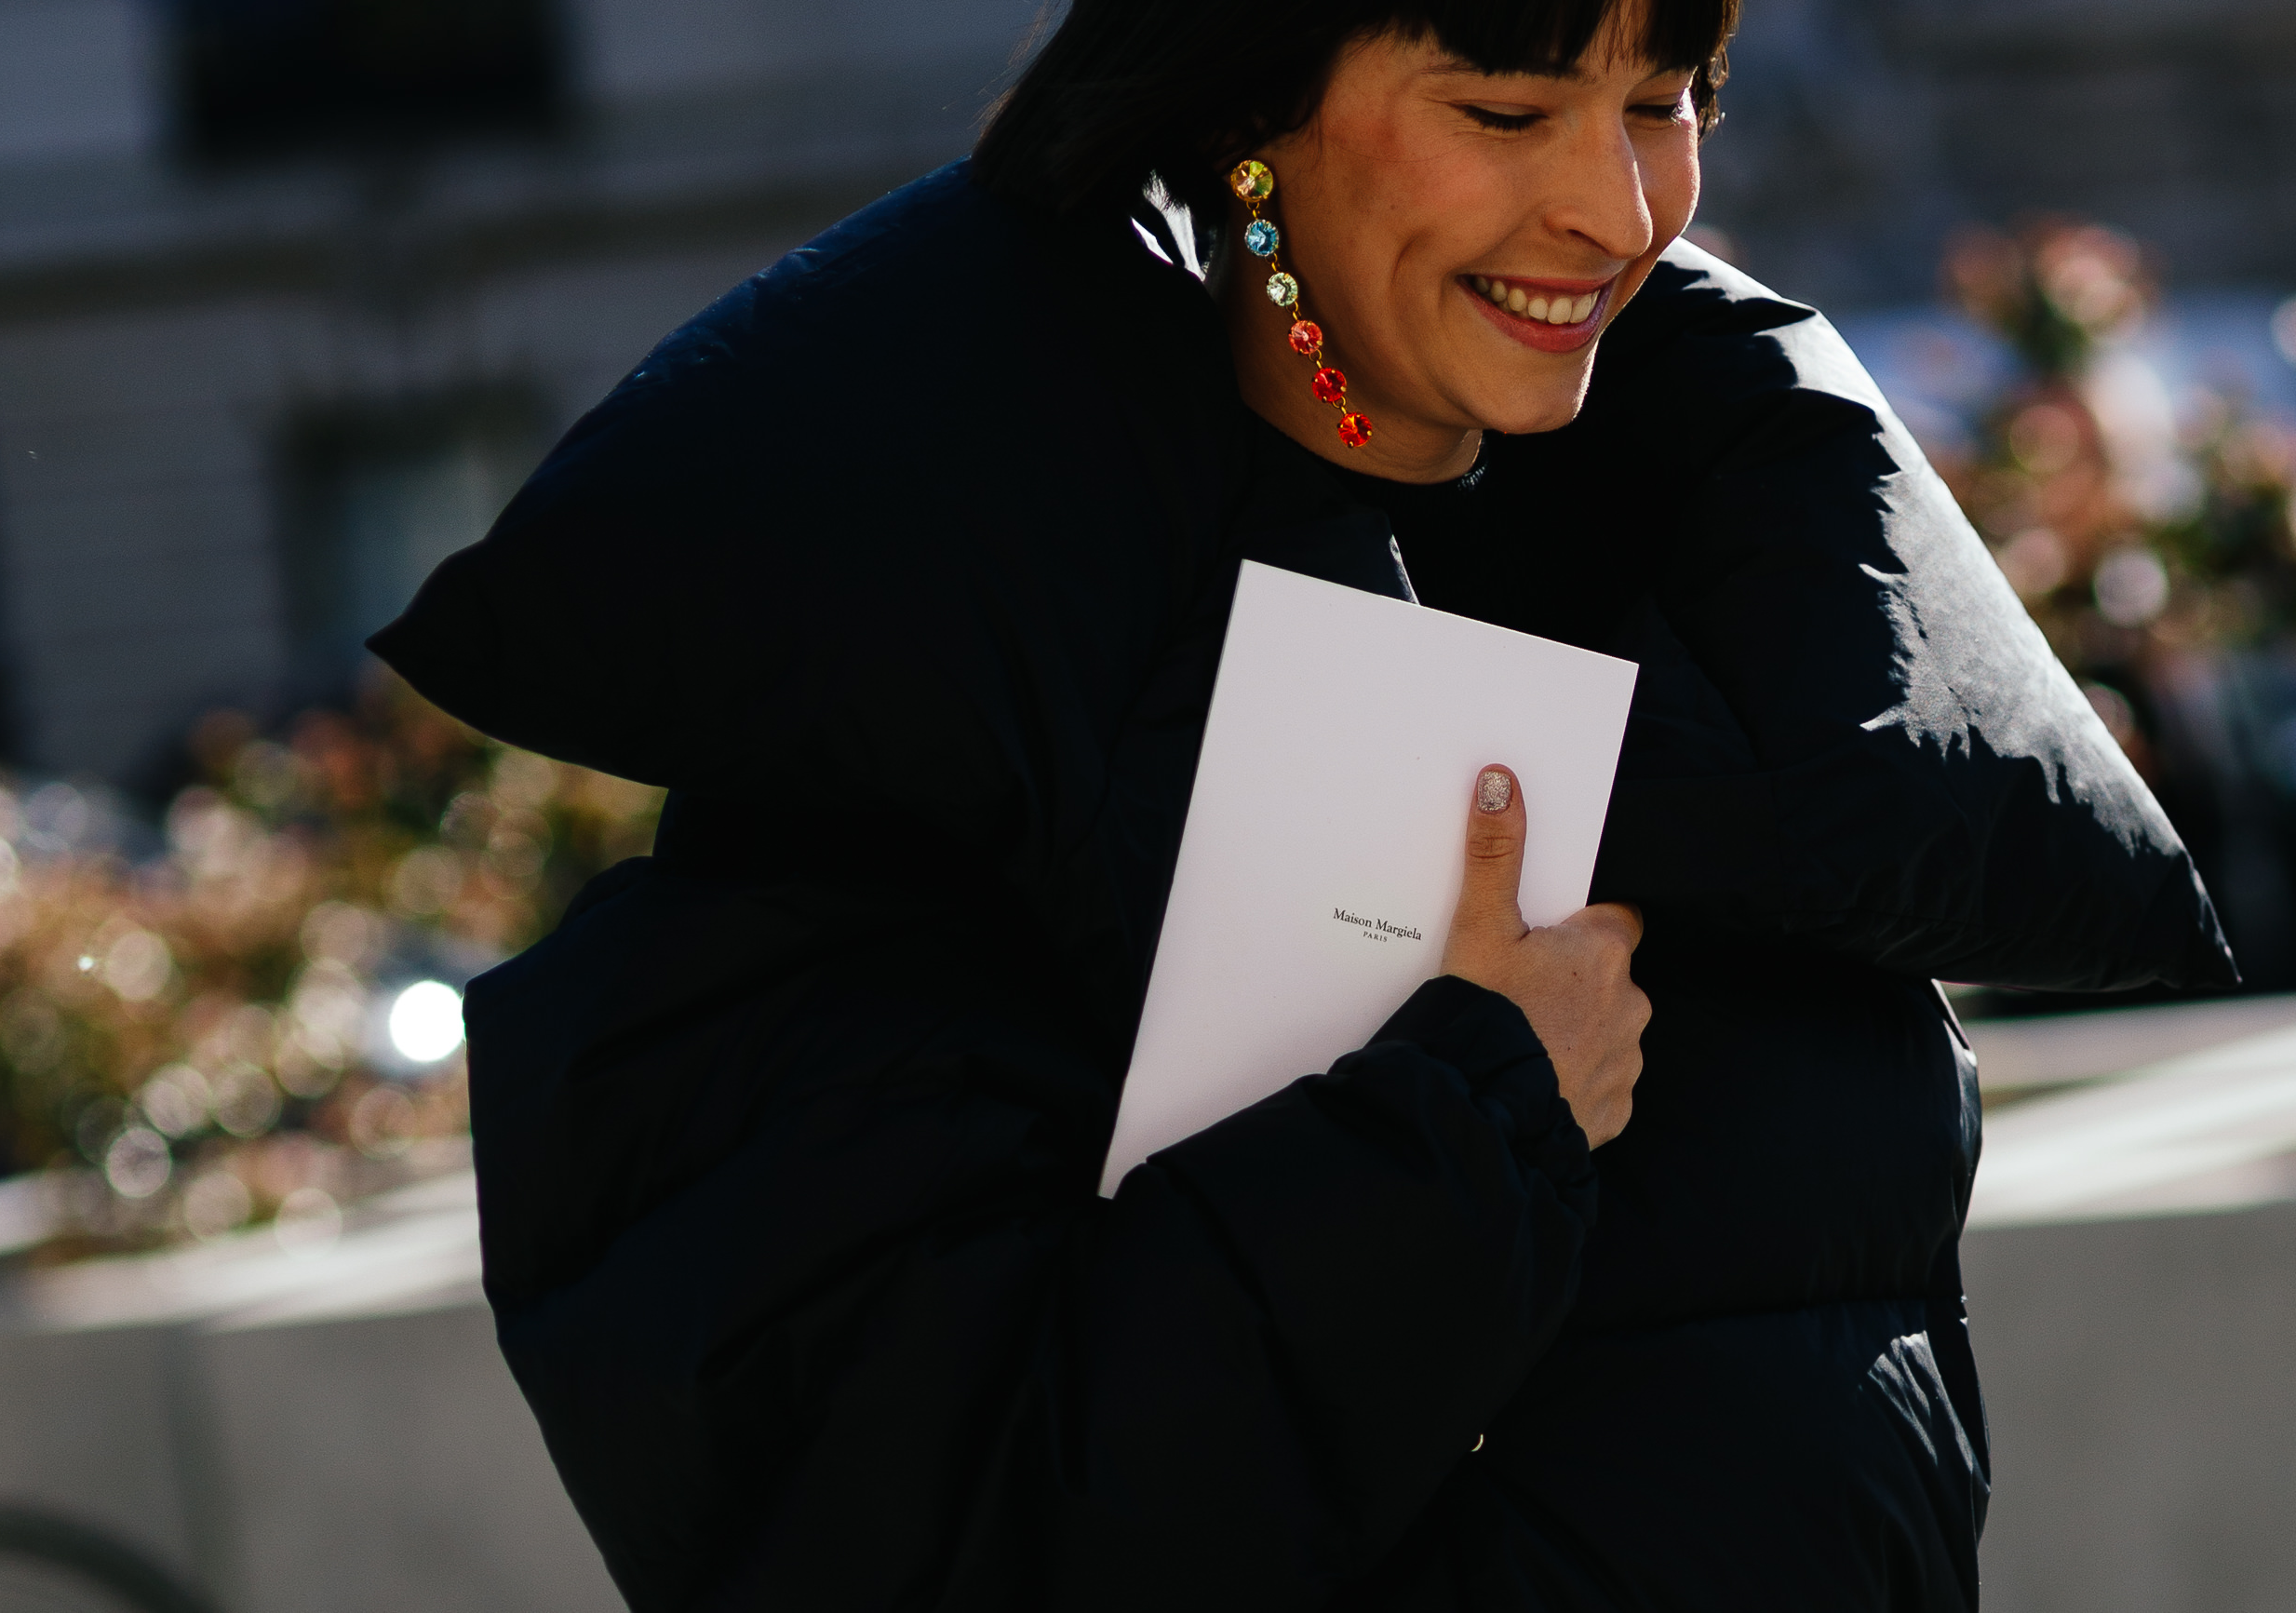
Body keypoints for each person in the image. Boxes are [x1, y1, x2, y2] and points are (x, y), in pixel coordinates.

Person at [369, 0, 2235, 1606]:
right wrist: (1473, 1114)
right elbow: (911, 1540)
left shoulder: (1718, 574)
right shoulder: (942, 679)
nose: (1617, 205)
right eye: (1506, 110)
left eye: (1664, 97)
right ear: (1247, 107)